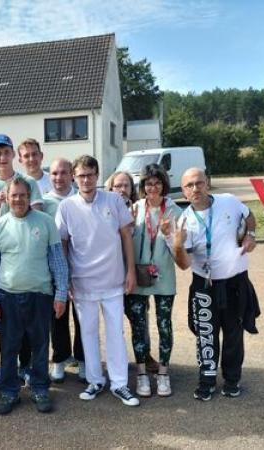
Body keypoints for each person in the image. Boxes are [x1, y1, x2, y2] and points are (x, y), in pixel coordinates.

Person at [56, 155, 140, 407]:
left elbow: (126, 236)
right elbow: (62, 243)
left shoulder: (114, 200)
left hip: (113, 281)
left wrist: (131, 271)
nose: (86, 180)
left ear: (97, 175)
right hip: (82, 283)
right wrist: (65, 279)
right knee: (88, 334)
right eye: (81, 175)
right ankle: (95, 381)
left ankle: (120, 384)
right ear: (74, 177)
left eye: (90, 174)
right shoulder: (66, 207)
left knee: (115, 333)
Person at [172, 167, 259, 401]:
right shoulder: (184, 221)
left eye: (199, 183)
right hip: (204, 284)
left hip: (235, 281)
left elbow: (249, 215)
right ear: (183, 191)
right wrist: (178, 246)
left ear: (207, 183)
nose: (195, 188)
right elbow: (183, 265)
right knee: (206, 334)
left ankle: (232, 379)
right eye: (189, 185)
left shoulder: (229, 201)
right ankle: (207, 379)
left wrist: (251, 234)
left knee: (233, 332)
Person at [0, 178, 68, 415]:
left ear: (30, 196)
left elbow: (57, 262)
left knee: (40, 345)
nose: (18, 200)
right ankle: (10, 391)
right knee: (9, 346)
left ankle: (40, 388)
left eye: (23, 195)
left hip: (40, 296)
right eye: (14, 195)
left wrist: (61, 293)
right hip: (7, 297)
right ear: (7, 196)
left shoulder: (45, 223)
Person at [0, 133, 43, 387]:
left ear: (13, 155)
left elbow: (37, 213)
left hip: (24, 257)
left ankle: (26, 367)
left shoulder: (26, 182)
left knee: (26, 317)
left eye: (6, 152)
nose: (2, 157)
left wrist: (16, 208)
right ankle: (8, 369)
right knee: (4, 317)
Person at [126, 164, 182, 398]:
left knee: (164, 324)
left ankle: (163, 373)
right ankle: (141, 374)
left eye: (157, 182)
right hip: (139, 276)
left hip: (164, 277)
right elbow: (125, 239)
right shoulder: (135, 209)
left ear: (164, 185)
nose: (153, 187)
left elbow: (180, 250)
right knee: (138, 325)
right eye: (148, 183)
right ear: (143, 186)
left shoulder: (174, 211)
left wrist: (169, 234)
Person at [106, 170, 159, 374]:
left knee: (139, 318)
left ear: (132, 189)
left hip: (133, 273)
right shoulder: (104, 209)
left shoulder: (139, 210)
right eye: (117, 186)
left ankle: (144, 355)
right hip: (110, 274)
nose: (121, 190)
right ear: (110, 188)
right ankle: (117, 360)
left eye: (126, 185)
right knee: (113, 321)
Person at [42, 158, 85, 383]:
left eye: (64, 173)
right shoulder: (44, 202)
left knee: (81, 316)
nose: (59, 177)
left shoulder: (81, 199)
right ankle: (59, 360)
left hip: (80, 267)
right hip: (53, 269)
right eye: (55, 173)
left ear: (72, 175)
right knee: (57, 316)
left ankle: (83, 360)